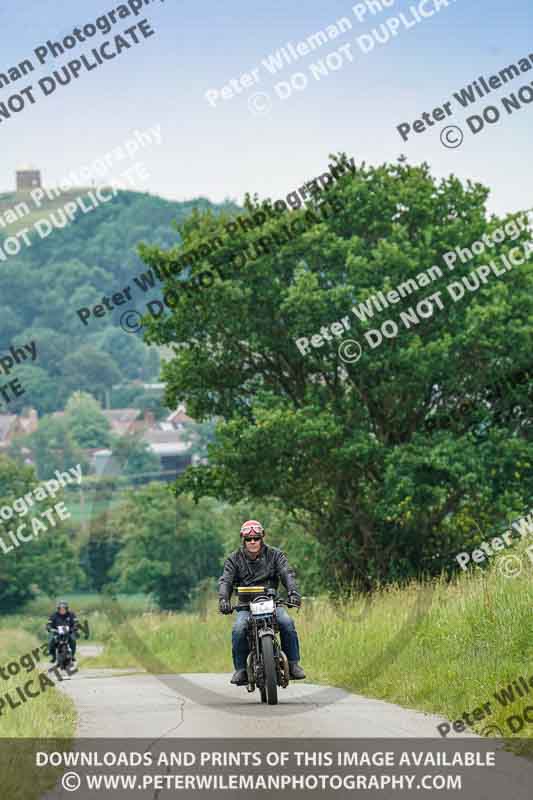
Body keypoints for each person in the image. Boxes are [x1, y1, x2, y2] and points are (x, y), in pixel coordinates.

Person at [218, 519, 306, 686]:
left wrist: (293, 593)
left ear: (262, 538)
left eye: (256, 538)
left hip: (272, 603)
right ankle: (241, 670)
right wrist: (224, 599)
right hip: (245, 606)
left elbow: (287, 574)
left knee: (287, 622)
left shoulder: (276, 555)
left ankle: (293, 664)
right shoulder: (233, 559)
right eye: (249, 539)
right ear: (243, 540)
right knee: (238, 629)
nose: (252, 542)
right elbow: (226, 581)